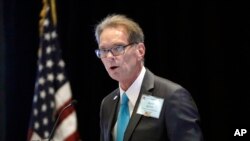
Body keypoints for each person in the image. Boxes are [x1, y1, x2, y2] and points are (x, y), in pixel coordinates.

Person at [94, 14, 203, 141]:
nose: (109, 57)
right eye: (103, 50)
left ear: (140, 51)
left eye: (118, 48)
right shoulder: (107, 104)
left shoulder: (171, 96)